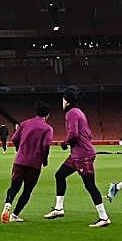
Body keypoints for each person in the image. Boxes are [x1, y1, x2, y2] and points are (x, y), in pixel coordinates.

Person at [44, 88, 110, 227]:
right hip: (78, 154)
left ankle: (104, 218)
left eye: (63, 99)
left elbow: (73, 133)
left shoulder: (71, 113)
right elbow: (88, 134)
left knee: (90, 185)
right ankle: (59, 208)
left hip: (82, 156)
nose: (62, 102)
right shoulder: (79, 112)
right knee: (60, 175)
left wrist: (64, 143)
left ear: (67, 101)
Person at [1, 102, 54, 223]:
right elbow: (46, 145)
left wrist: (19, 150)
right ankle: (14, 215)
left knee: (14, 186)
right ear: (48, 115)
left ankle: (8, 203)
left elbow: (14, 139)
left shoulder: (25, 124)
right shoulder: (47, 128)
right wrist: (44, 160)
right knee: (27, 190)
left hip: (20, 161)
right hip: (34, 164)